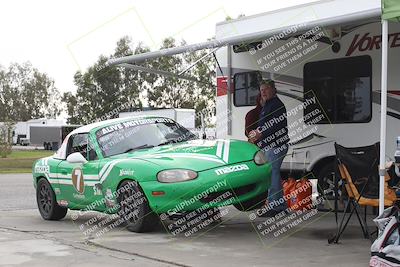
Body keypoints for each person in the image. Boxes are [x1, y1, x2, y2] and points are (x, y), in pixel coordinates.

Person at [249, 79, 289, 217]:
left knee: (273, 175)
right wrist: (256, 133)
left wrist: (261, 133)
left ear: (273, 89)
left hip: (276, 145)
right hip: (269, 145)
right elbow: (265, 124)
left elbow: (276, 125)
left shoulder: (277, 104)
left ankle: (275, 207)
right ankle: (279, 205)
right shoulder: (268, 105)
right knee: (272, 175)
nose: (263, 92)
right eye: (261, 90)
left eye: (265, 89)